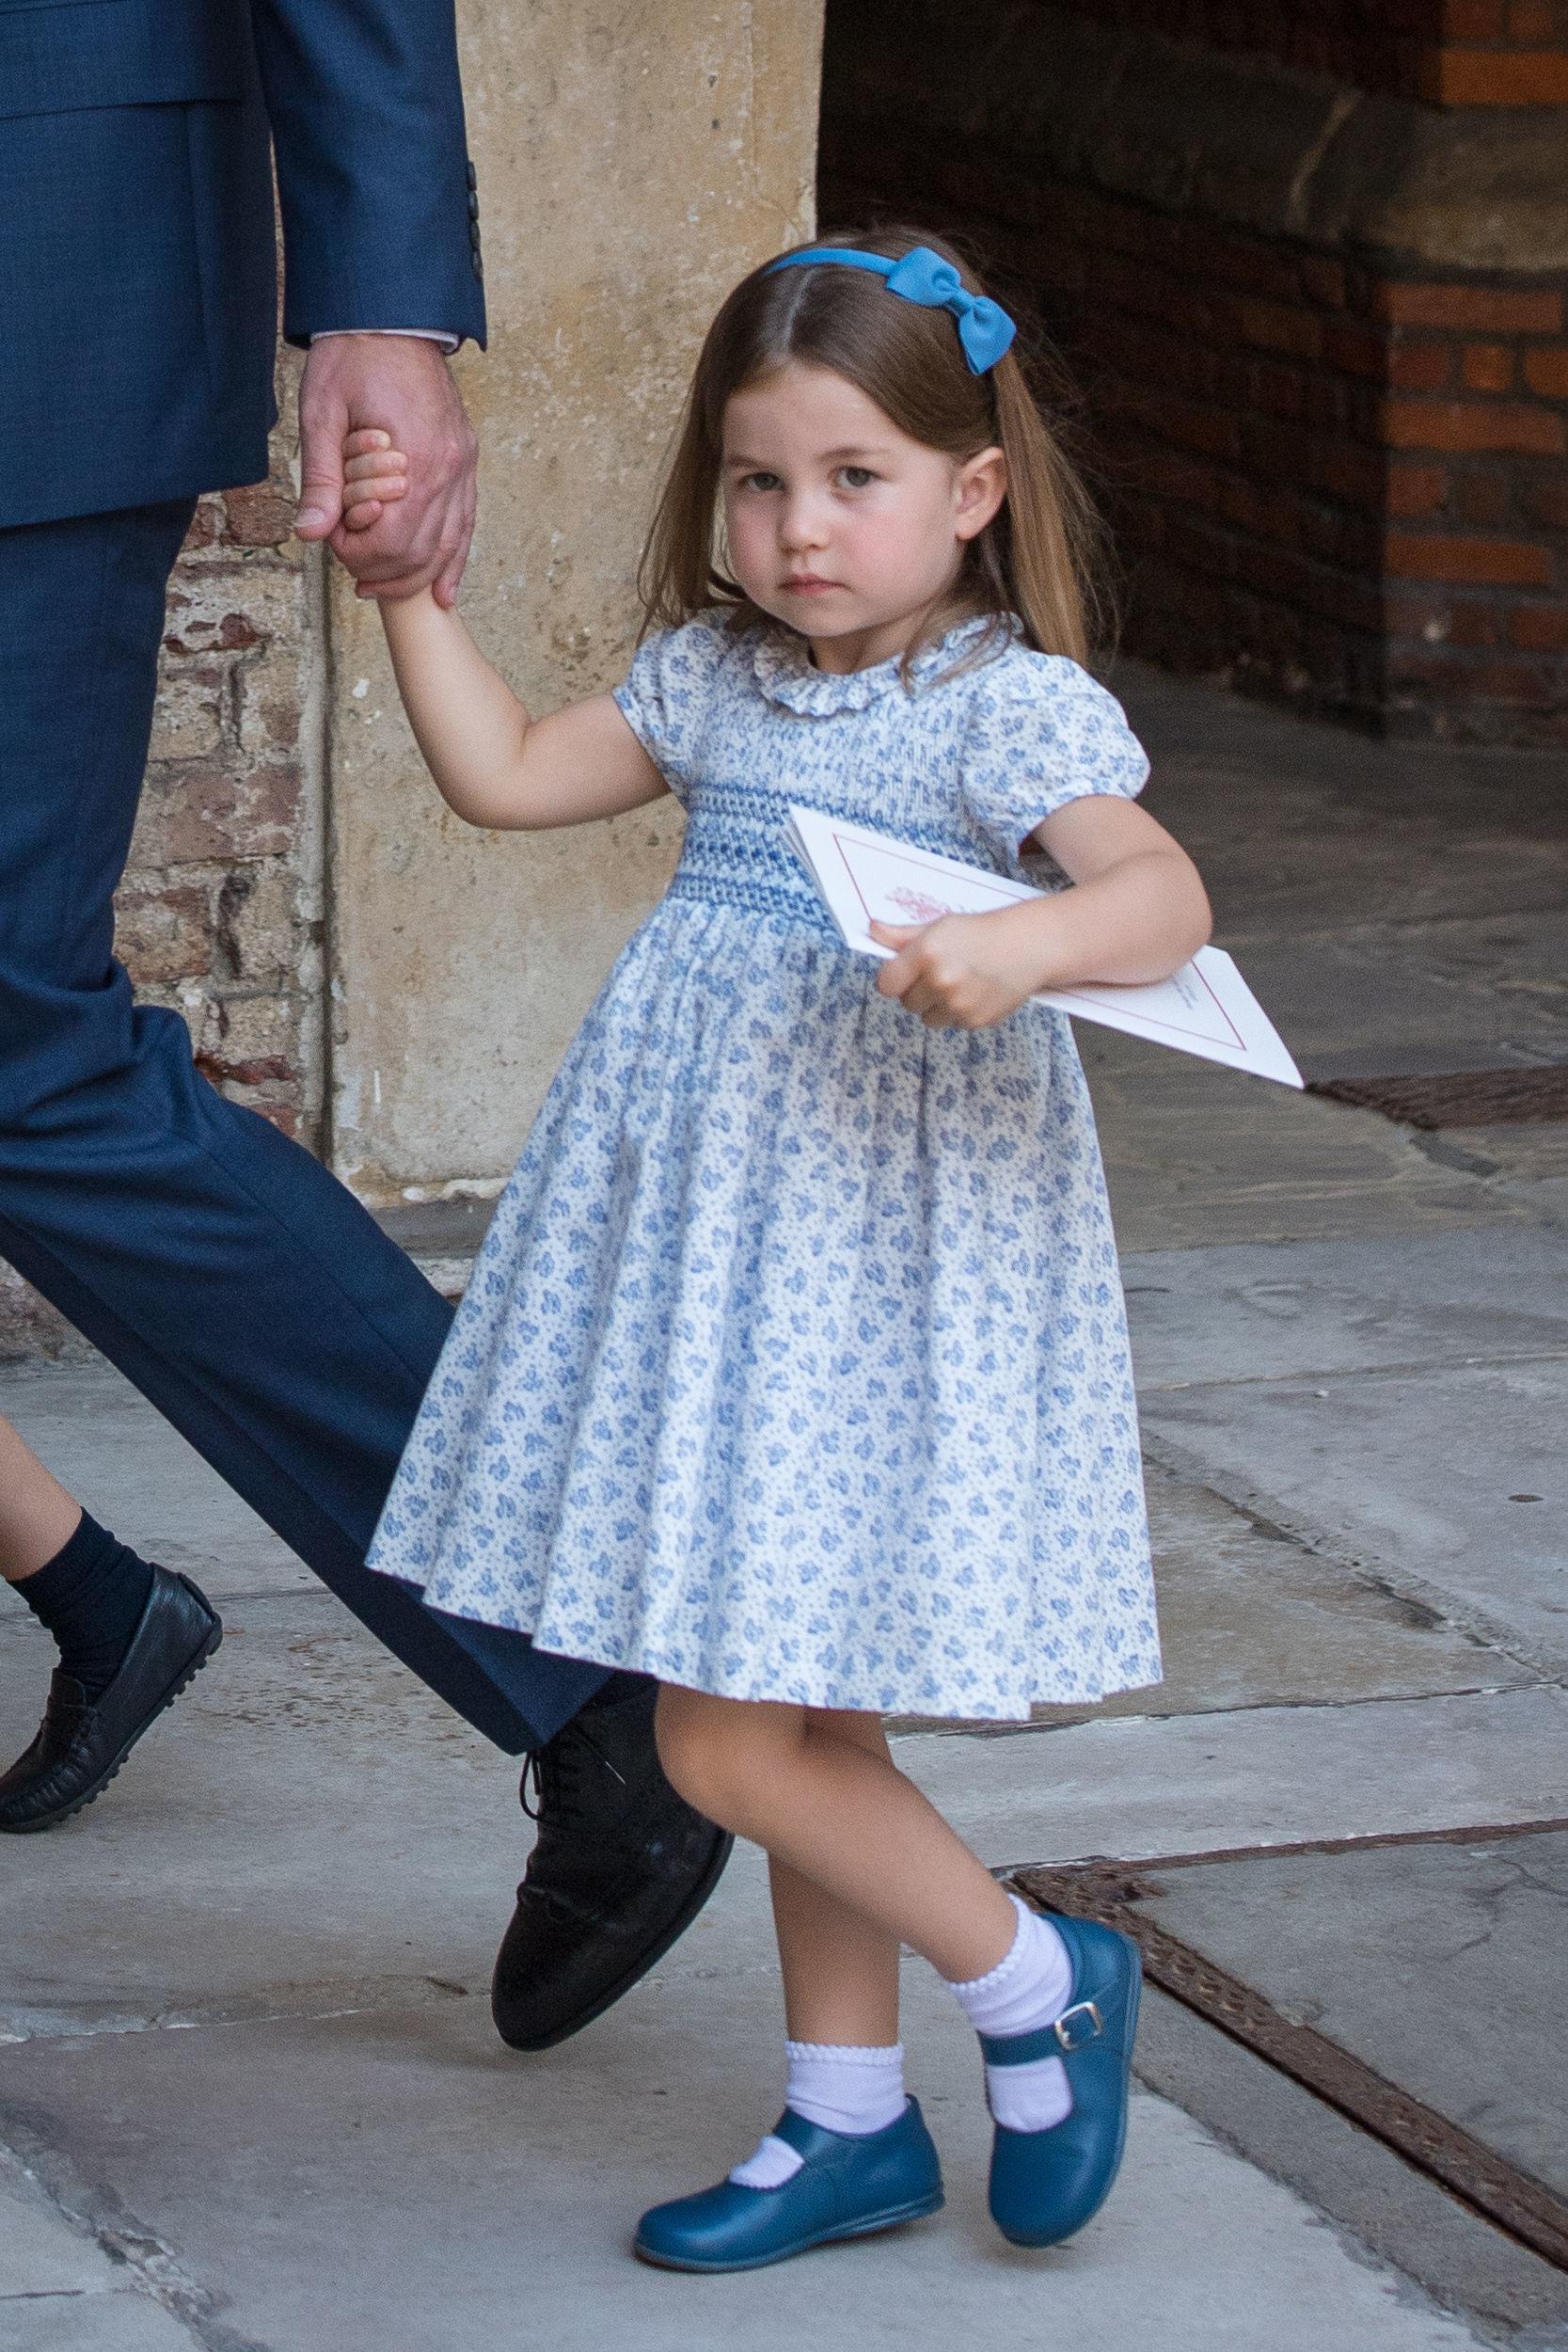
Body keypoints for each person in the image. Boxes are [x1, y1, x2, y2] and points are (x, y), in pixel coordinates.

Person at [340, 227, 1213, 2266]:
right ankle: (847, 2120)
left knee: (720, 1730)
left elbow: (1162, 898)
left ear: (971, 491)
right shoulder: (717, 680)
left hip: (878, 1263)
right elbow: (504, 776)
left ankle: (1038, 1979)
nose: (800, 529)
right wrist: (407, 598)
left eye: (853, 478)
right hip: (721, 1257)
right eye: (759, 481)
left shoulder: (1001, 709)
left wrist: (1026, 940)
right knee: (811, 1710)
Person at [0, 0, 731, 2049]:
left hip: (37, 254)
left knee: (17, 1058)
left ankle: (591, 1666)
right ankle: (93, 1592)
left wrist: (384, 302)